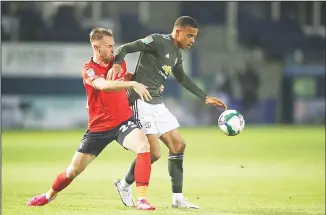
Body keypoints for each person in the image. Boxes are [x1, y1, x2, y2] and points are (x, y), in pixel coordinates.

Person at [26, 27, 156, 210]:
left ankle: (141, 199)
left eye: (113, 45)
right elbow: (103, 85)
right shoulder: (89, 70)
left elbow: (124, 76)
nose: (113, 49)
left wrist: (142, 83)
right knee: (73, 171)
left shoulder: (118, 62)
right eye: (108, 46)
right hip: (99, 128)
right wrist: (132, 83)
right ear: (96, 47)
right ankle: (48, 196)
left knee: (143, 147)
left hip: (123, 121)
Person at [108, 16, 227, 209]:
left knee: (178, 145)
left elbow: (182, 78)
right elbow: (125, 48)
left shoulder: (177, 55)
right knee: (153, 153)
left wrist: (205, 97)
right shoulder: (156, 40)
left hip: (157, 103)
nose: (192, 40)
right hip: (141, 101)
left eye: (194, 37)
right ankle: (124, 185)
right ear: (177, 32)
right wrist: (116, 63)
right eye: (189, 36)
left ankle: (178, 198)